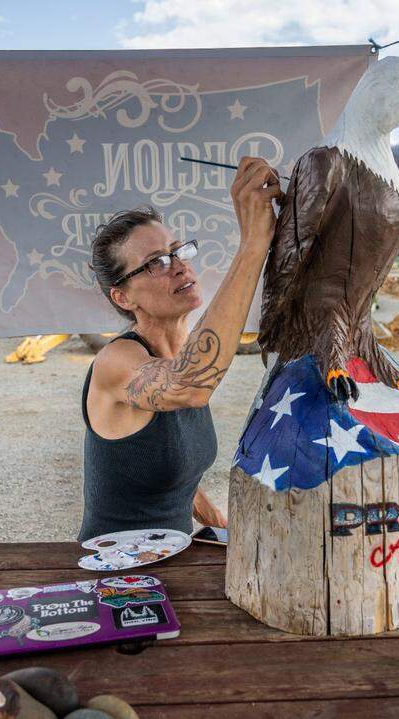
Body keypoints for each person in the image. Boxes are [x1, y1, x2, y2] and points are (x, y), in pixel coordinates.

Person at [79, 157, 283, 541]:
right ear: (122, 297)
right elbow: (190, 385)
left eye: (177, 251)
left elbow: (176, 476)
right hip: (115, 572)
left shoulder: (185, 354)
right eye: (155, 262)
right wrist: (255, 242)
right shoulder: (117, 362)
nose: (177, 266)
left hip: (173, 558)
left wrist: (216, 523)